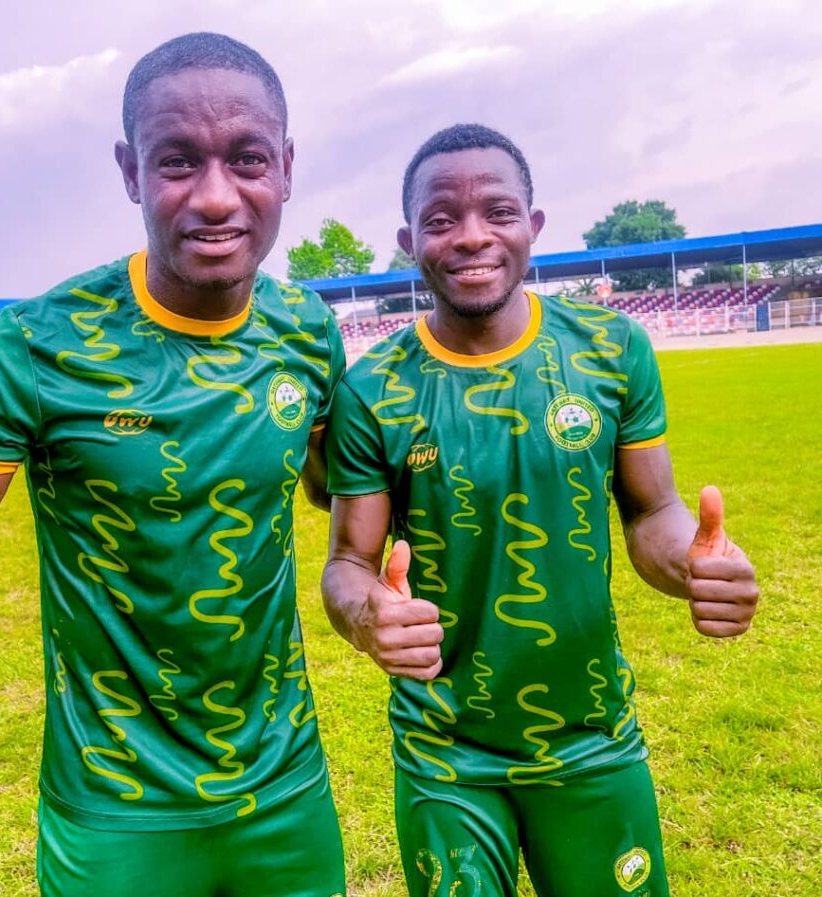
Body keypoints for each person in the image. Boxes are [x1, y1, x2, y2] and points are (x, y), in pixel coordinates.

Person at [0, 32, 347, 897]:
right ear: (130, 171)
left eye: (248, 159)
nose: (216, 196)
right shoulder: (32, 348)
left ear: (287, 167)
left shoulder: (308, 333)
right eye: (178, 161)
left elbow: (331, 487)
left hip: (288, 791)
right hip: (114, 811)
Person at [321, 123, 758, 897]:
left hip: (591, 738)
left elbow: (652, 511)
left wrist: (695, 564)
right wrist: (366, 617)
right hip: (444, 750)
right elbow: (350, 563)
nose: (471, 236)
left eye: (497, 211)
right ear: (409, 241)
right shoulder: (373, 389)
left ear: (533, 224)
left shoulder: (611, 348)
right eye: (441, 219)